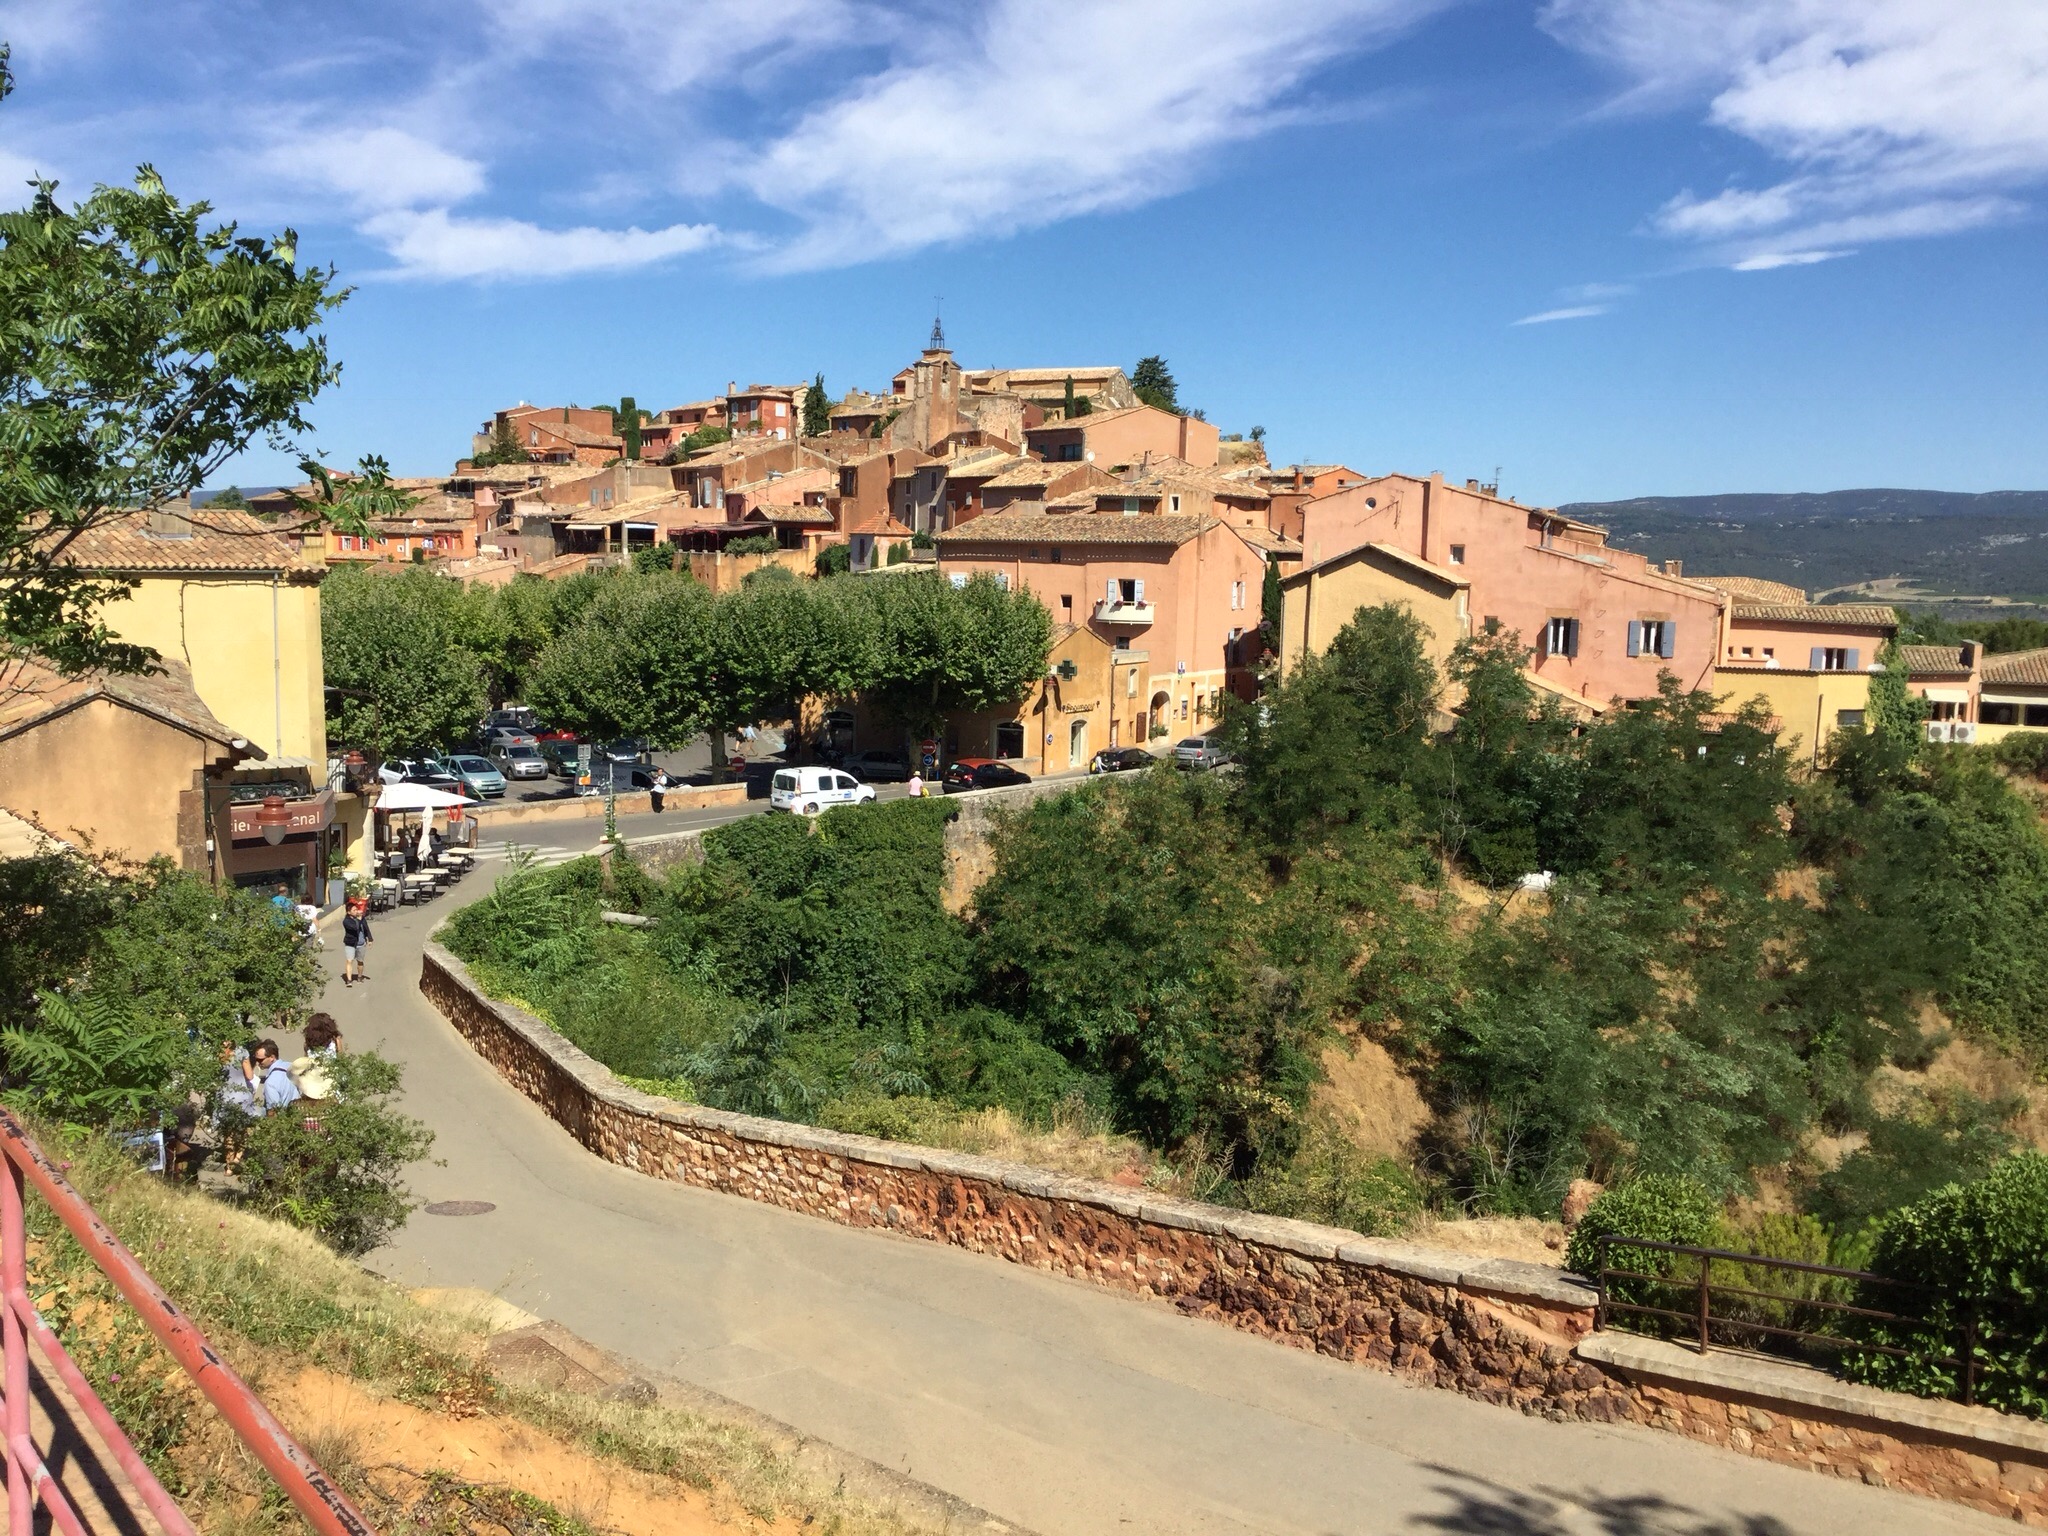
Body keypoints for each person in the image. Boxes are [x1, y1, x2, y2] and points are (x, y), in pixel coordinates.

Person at [293, 1014, 343, 1101]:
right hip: (330, 1079)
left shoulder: (308, 1044)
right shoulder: (335, 1042)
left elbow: (306, 1061)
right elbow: (341, 1061)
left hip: (314, 1080)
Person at [251, 1039, 300, 1116]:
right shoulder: (291, 1066)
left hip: (283, 1119)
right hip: (297, 1113)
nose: (257, 1063)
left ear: (272, 1057)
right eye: (256, 1059)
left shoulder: (270, 1083)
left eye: (260, 1060)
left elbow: (273, 1112)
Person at [341, 900, 372, 985]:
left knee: (360, 961)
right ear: (349, 912)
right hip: (350, 943)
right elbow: (355, 928)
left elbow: (366, 928)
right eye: (354, 910)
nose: (356, 911)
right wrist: (359, 919)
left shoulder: (361, 918)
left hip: (361, 943)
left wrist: (370, 939)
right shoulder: (346, 921)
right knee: (349, 961)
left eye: (356, 909)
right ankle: (349, 980)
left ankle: (359, 976)